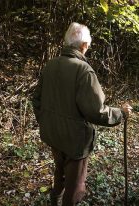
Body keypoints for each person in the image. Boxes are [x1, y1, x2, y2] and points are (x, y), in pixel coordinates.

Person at [32, 22, 132, 206]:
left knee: (59, 170)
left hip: (53, 135)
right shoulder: (83, 70)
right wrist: (121, 113)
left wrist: (46, 121)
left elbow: (36, 100)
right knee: (75, 186)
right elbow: (96, 111)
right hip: (75, 141)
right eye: (88, 45)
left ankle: (55, 200)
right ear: (83, 45)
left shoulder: (51, 65)